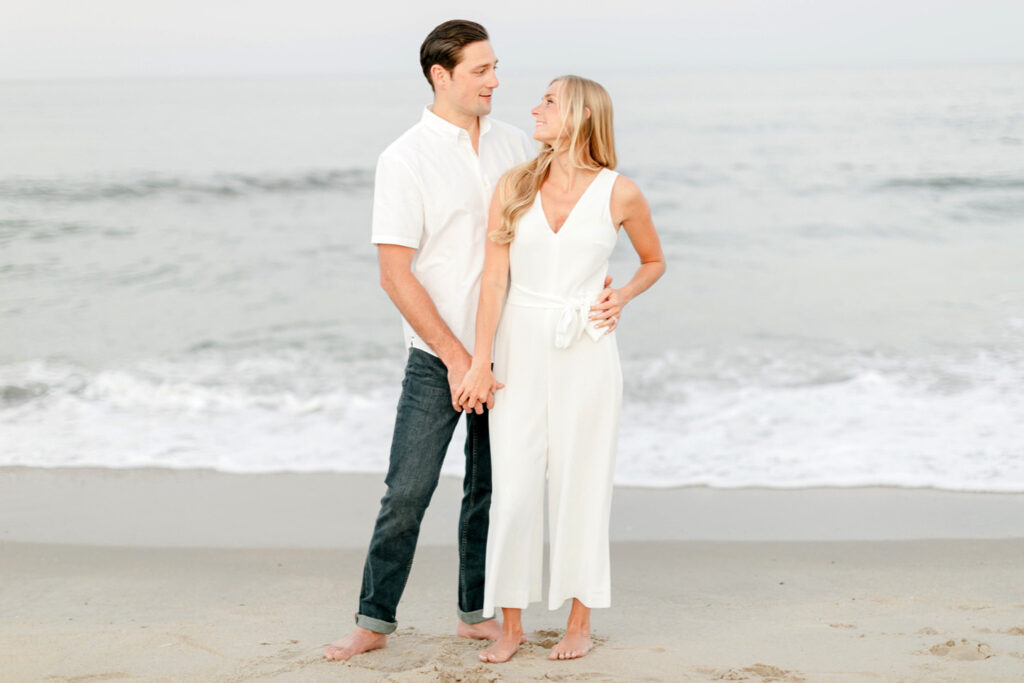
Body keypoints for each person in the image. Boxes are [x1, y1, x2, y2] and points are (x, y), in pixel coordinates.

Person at [324, 19, 535, 661]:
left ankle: (476, 611)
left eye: (495, 67)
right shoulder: (405, 158)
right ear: (440, 76)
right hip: (436, 357)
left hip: (511, 349)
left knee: (491, 487)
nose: (495, 81)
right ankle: (373, 620)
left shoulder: (519, 146)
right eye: (480, 70)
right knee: (409, 488)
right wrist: (456, 358)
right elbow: (395, 273)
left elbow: (546, 236)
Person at [456, 75, 666, 663]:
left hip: (588, 349)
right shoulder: (516, 184)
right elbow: (494, 280)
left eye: (549, 101)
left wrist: (620, 296)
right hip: (518, 348)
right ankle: (512, 626)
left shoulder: (619, 193)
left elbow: (654, 261)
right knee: (517, 487)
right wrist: (481, 361)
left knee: (582, 483)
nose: (535, 108)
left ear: (579, 115)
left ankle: (579, 621)